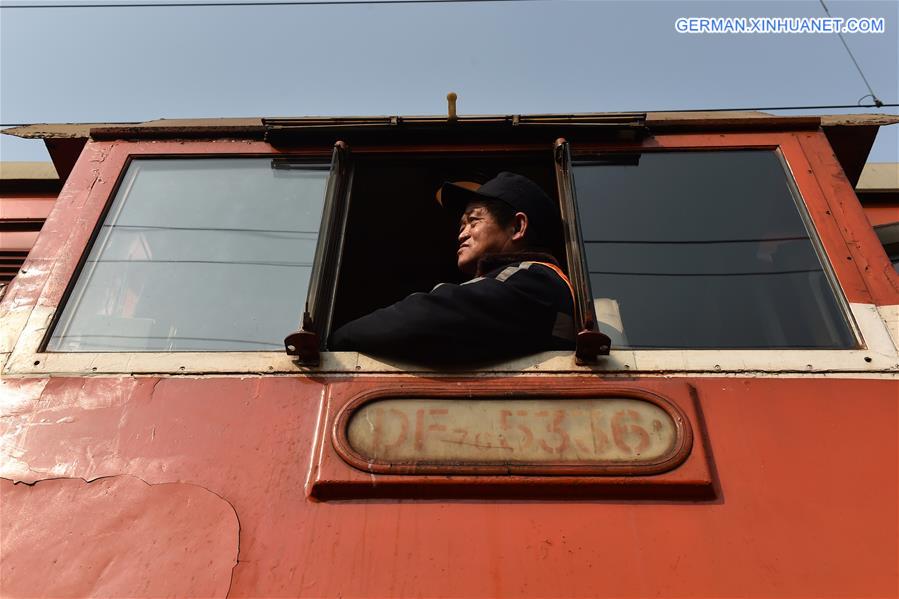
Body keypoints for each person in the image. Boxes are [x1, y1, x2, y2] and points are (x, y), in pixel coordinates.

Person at [328, 172, 575, 364]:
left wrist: (336, 340)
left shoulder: (533, 279)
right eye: (461, 226)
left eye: (473, 221)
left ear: (518, 227)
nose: (462, 234)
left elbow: (424, 318)